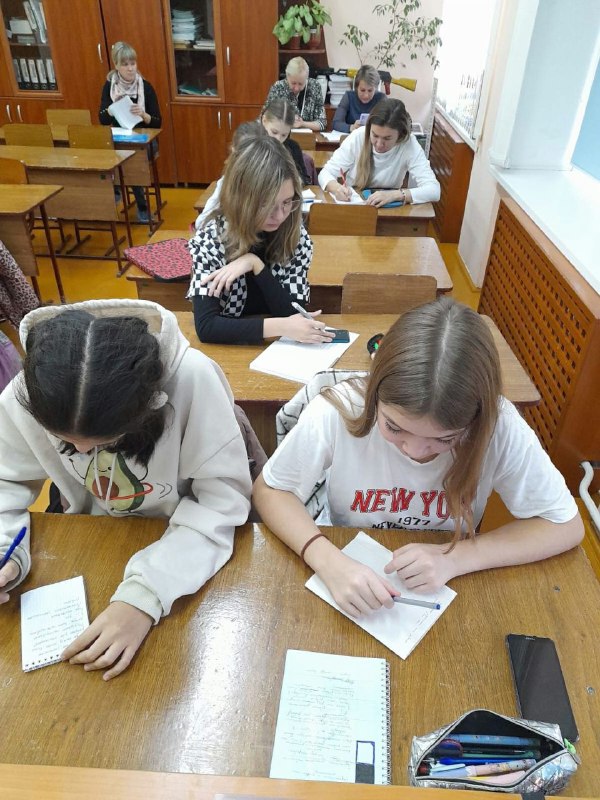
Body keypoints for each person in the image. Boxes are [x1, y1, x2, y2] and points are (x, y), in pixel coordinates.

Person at [253, 297, 583, 619]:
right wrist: (327, 560)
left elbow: (565, 525)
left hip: (445, 576)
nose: (413, 450)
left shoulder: (499, 426)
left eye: (444, 439)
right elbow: (271, 491)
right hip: (344, 553)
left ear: (475, 422)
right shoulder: (341, 409)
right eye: (394, 427)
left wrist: (456, 558)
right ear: (374, 394)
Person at [0, 299, 252, 680]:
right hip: (97, 540)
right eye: (64, 440)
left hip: (182, 544)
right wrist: (6, 547)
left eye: (102, 441)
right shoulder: (31, 391)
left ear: (148, 406)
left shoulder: (191, 380)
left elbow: (221, 503)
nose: (80, 451)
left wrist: (143, 597)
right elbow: (5, 477)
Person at [188, 136, 334, 346]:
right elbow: (207, 327)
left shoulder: (296, 236)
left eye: (287, 202)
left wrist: (255, 264)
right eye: (266, 204)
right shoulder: (212, 237)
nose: (279, 215)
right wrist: (282, 326)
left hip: (276, 348)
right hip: (230, 352)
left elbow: (295, 313)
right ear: (242, 199)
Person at [194, 102, 309, 230]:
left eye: (284, 135)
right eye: (274, 132)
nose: (278, 140)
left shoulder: (287, 220)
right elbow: (201, 223)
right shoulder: (229, 186)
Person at [319, 97, 440, 207]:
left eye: (387, 138)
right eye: (375, 135)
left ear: (400, 135)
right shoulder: (358, 137)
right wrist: (336, 188)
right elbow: (325, 173)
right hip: (356, 206)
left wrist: (396, 195)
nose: (379, 144)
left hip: (390, 210)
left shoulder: (408, 143)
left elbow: (434, 190)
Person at [98, 41, 162, 224]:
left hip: (145, 140)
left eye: (133, 63)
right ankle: (114, 191)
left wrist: (143, 114)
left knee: (131, 161)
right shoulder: (109, 87)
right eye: (125, 64)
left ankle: (141, 206)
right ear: (116, 66)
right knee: (109, 156)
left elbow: (158, 122)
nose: (130, 68)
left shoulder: (145, 87)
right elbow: (102, 119)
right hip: (119, 138)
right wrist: (111, 109)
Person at [264, 56, 326, 132]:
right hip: (282, 134)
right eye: (293, 83)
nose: (296, 88)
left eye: (300, 84)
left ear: (306, 78)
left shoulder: (315, 86)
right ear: (287, 77)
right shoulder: (278, 87)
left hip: (308, 137)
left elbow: (322, 124)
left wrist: (303, 124)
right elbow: (265, 119)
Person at [332, 65, 386, 133]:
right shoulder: (349, 97)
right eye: (362, 90)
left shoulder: (381, 98)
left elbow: (389, 124)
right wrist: (351, 127)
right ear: (356, 87)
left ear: (376, 88)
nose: (366, 95)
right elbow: (336, 123)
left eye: (370, 91)